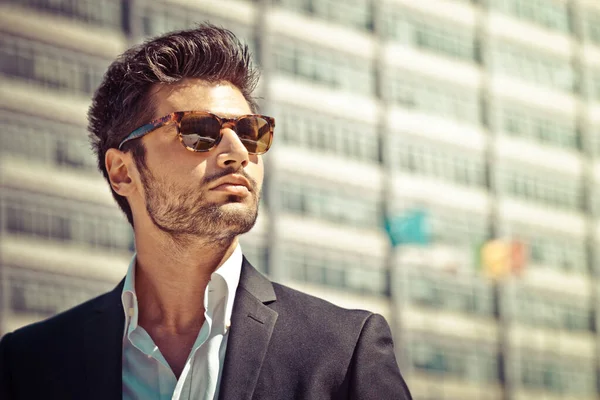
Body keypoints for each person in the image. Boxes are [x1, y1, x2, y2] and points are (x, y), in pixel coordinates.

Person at [0, 25, 412, 400]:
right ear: (122, 171)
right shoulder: (29, 364)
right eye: (199, 131)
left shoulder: (343, 351)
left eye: (251, 133)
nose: (237, 153)